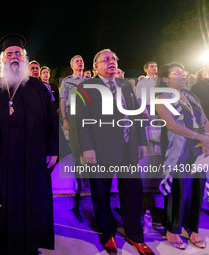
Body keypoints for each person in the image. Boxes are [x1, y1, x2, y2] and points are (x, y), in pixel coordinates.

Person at [0, 33, 58, 255]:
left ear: (24, 58)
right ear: (2, 59)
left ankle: (29, 246)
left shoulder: (38, 87)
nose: (14, 57)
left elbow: (53, 121)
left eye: (18, 53)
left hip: (33, 158)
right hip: (3, 158)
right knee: (4, 202)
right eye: (9, 53)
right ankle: (2, 246)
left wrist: (53, 150)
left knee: (31, 202)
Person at [77, 49, 154, 255]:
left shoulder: (125, 85)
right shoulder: (85, 87)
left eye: (114, 59)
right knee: (101, 193)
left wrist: (141, 142)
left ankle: (135, 235)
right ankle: (107, 233)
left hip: (128, 149)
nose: (112, 62)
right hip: (100, 151)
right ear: (96, 66)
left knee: (132, 192)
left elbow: (135, 114)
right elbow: (81, 120)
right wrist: (87, 148)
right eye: (107, 59)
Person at [156, 62, 208, 250]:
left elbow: (205, 120)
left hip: (198, 149)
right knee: (178, 190)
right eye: (176, 72)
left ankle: (192, 228)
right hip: (179, 150)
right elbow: (171, 125)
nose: (183, 75)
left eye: (183, 72)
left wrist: (206, 139)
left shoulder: (191, 97)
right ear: (165, 78)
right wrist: (200, 136)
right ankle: (172, 229)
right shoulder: (162, 97)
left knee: (197, 188)